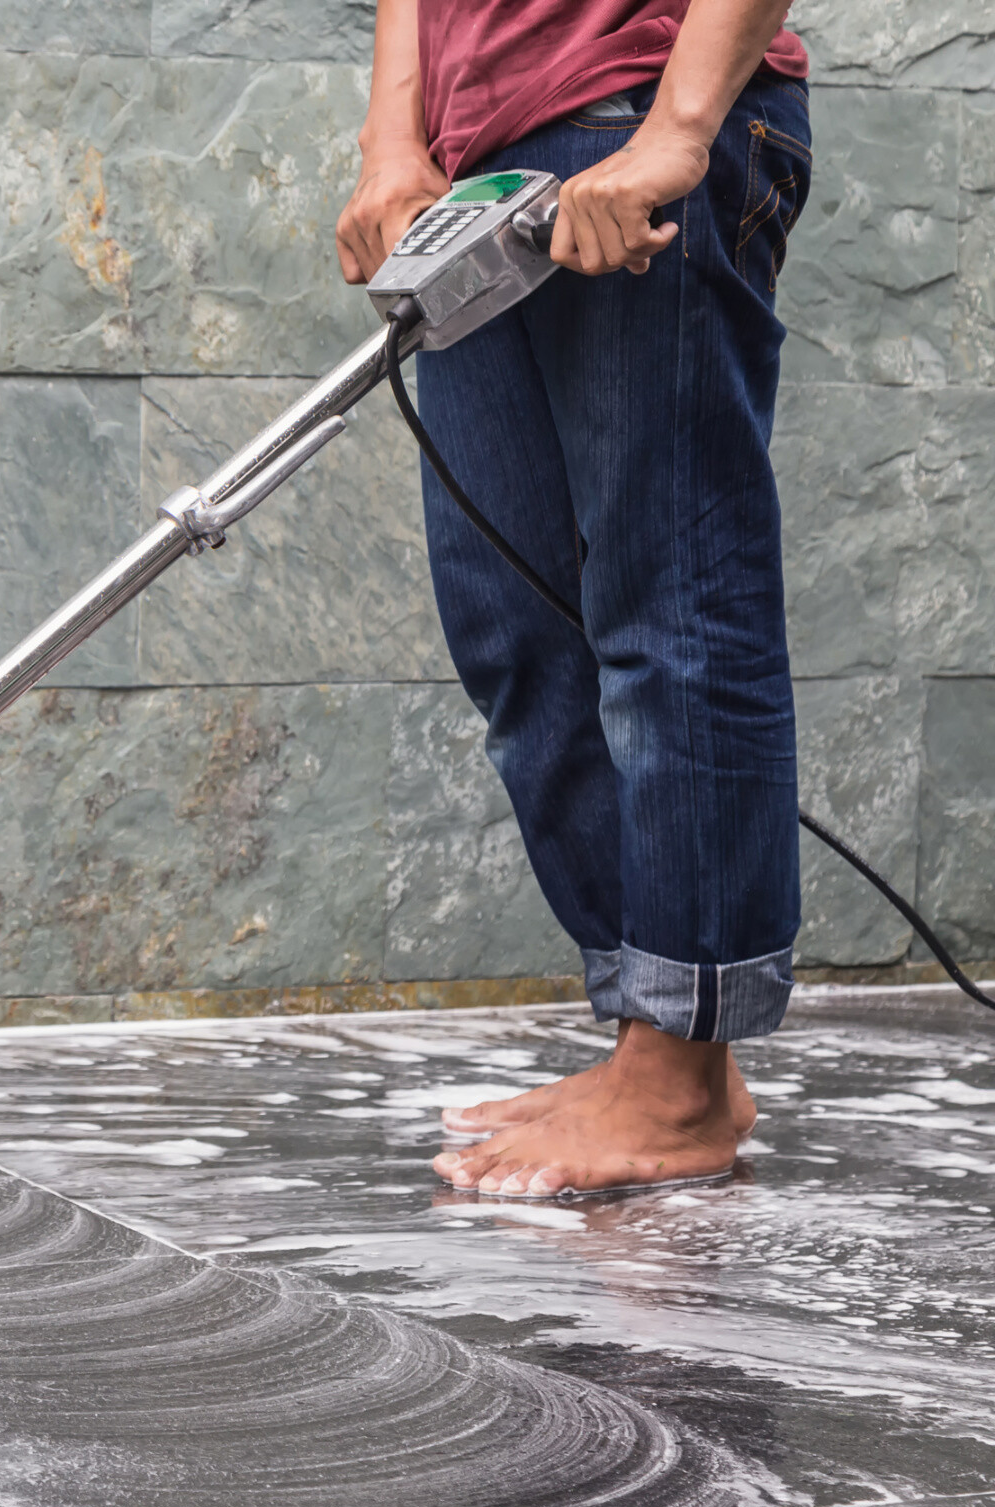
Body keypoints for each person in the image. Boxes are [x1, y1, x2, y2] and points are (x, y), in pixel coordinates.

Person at [334, 0, 812, 1195]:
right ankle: (662, 1048)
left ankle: (677, 1065)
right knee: (516, 627)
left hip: (634, 107)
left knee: (675, 603)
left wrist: (680, 125)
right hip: (479, 164)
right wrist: (393, 145)